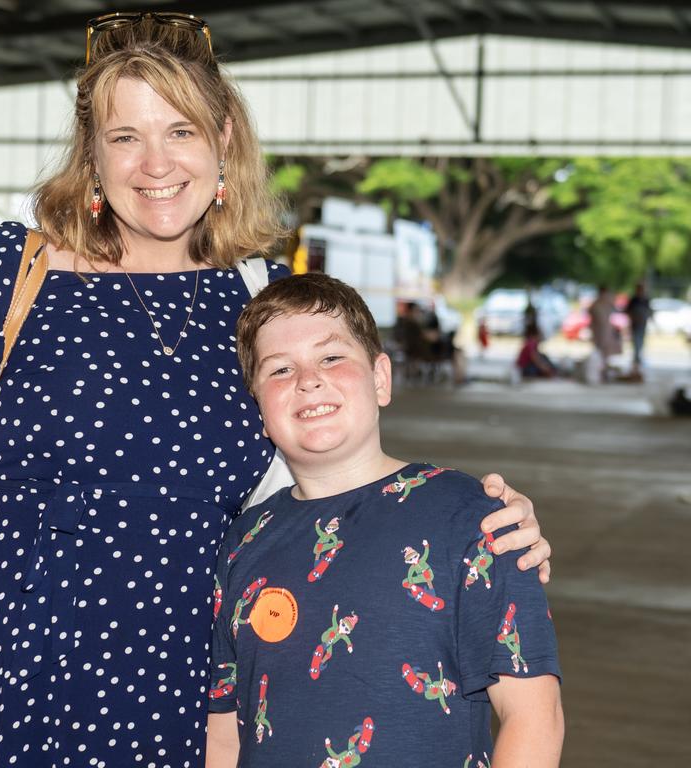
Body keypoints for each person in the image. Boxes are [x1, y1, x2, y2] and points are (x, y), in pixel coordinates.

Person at [0, 13, 552, 768]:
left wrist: (478, 528)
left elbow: (335, 480)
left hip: (196, 691)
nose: (154, 163)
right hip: (13, 669)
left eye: (181, 132)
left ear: (224, 138)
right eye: (124, 136)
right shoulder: (14, 274)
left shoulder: (260, 296)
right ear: (91, 155)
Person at [207, 274, 563, 767]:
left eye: (332, 357)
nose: (308, 379)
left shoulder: (470, 518)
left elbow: (533, 717)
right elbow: (223, 730)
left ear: (380, 378)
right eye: (280, 369)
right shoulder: (244, 541)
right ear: (260, 409)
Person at [589, 284, 621, 381]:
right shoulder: (597, 304)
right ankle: (601, 372)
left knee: (606, 354)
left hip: (606, 332)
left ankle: (604, 372)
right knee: (600, 353)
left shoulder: (606, 303)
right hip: (599, 332)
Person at [625, 281, 652, 380]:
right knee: (636, 344)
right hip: (635, 325)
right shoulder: (634, 300)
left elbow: (649, 312)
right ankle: (636, 363)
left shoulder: (645, 300)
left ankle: (638, 362)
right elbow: (627, 311)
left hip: (642, 325)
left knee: (640, 344)